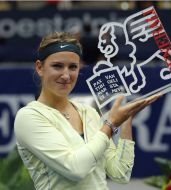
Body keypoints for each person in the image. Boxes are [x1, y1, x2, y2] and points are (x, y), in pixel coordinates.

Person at [14, 31, 161, 190]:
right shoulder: (28, 117)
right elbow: (75, 169)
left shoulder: (89, 112)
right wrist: (110, 124)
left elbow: (120, 173)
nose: (66, 75)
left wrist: (126, 120)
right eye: (57, 66)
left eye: (73, 67)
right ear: (40, 67)